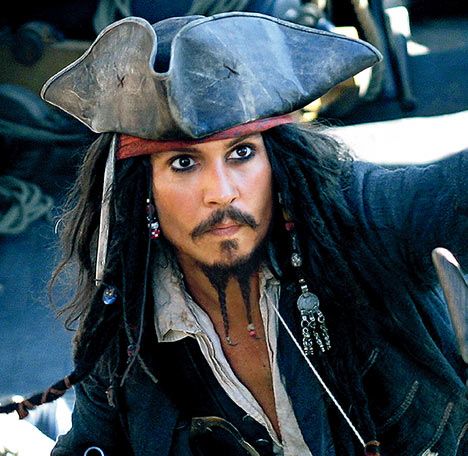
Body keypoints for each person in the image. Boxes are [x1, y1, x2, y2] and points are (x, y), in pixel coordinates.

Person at [0, 11, 466, 456]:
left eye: (242, 153)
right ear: (142, 192)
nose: (222, 192)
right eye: (184, 162)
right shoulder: (127, 327)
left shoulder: (359, 218)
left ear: (276, 162)